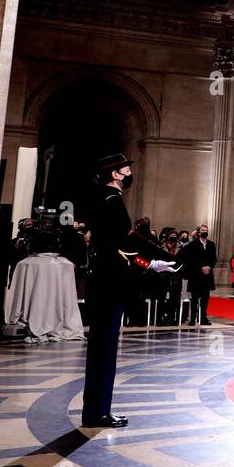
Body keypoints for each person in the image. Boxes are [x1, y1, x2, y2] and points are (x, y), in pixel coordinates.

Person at [81, 154, 177, 428]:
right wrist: (155, 260)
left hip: (103, 281)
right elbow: (126, 242)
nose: (129, 171)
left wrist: (149, 263)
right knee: (105, 349)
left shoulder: (103, 199)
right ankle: (99, 413)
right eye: (126, 168)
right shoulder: (112, 201)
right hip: (110, 284)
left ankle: (95, 412)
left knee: (101, 349)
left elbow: (118, 248)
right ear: (116, 174)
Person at [178, 223, 217, 325]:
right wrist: (201, 267)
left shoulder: (211, 244)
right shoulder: (193, 244)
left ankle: (203, 317)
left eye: (206, 230)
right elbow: (190, 259)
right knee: (194, 298)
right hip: (196, 274)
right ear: (199, 232)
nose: (205, 232)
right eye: (203, 230)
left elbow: (213, 259)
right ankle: (193, 318)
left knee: (205, 297)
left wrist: (209, 267)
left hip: (207, 274)